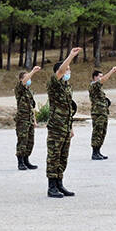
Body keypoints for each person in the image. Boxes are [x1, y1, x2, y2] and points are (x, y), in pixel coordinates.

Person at [46, 48, 81, 198]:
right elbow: (60, 71)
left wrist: (71, 127)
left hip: (65, 126)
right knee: (54, 155)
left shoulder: (67, 87)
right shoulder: (54, 83)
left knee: (63, 156)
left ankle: (60, 183)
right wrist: (71, 56)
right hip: (56, 127)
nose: (68, 71)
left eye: (70, 69)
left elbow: (68, 109)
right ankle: (51, 186)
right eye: (66, 69)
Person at [89, 66, 116, 160]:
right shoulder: (94, 85)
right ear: (95, 77)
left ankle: (98, 151)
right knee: (97, 132)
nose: (101, 78)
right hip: (97, 113)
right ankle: (94, 153)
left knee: (102, 132)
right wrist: (111, 71)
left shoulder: (99, 88)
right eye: (100, 76)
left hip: (103, 112)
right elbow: (104, 80)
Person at [15, 66, 41, 170]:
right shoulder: (19, 89)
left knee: (30, 141)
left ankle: (26, 160)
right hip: (22, 120)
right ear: (21, 79)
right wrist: (33, 71)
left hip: (29, 120)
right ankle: (20, 162)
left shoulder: (29, 92)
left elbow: (31, 107)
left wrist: (34, 120)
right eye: (27, 78)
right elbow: (24, 82)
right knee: (22, 140)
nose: (29, 80)